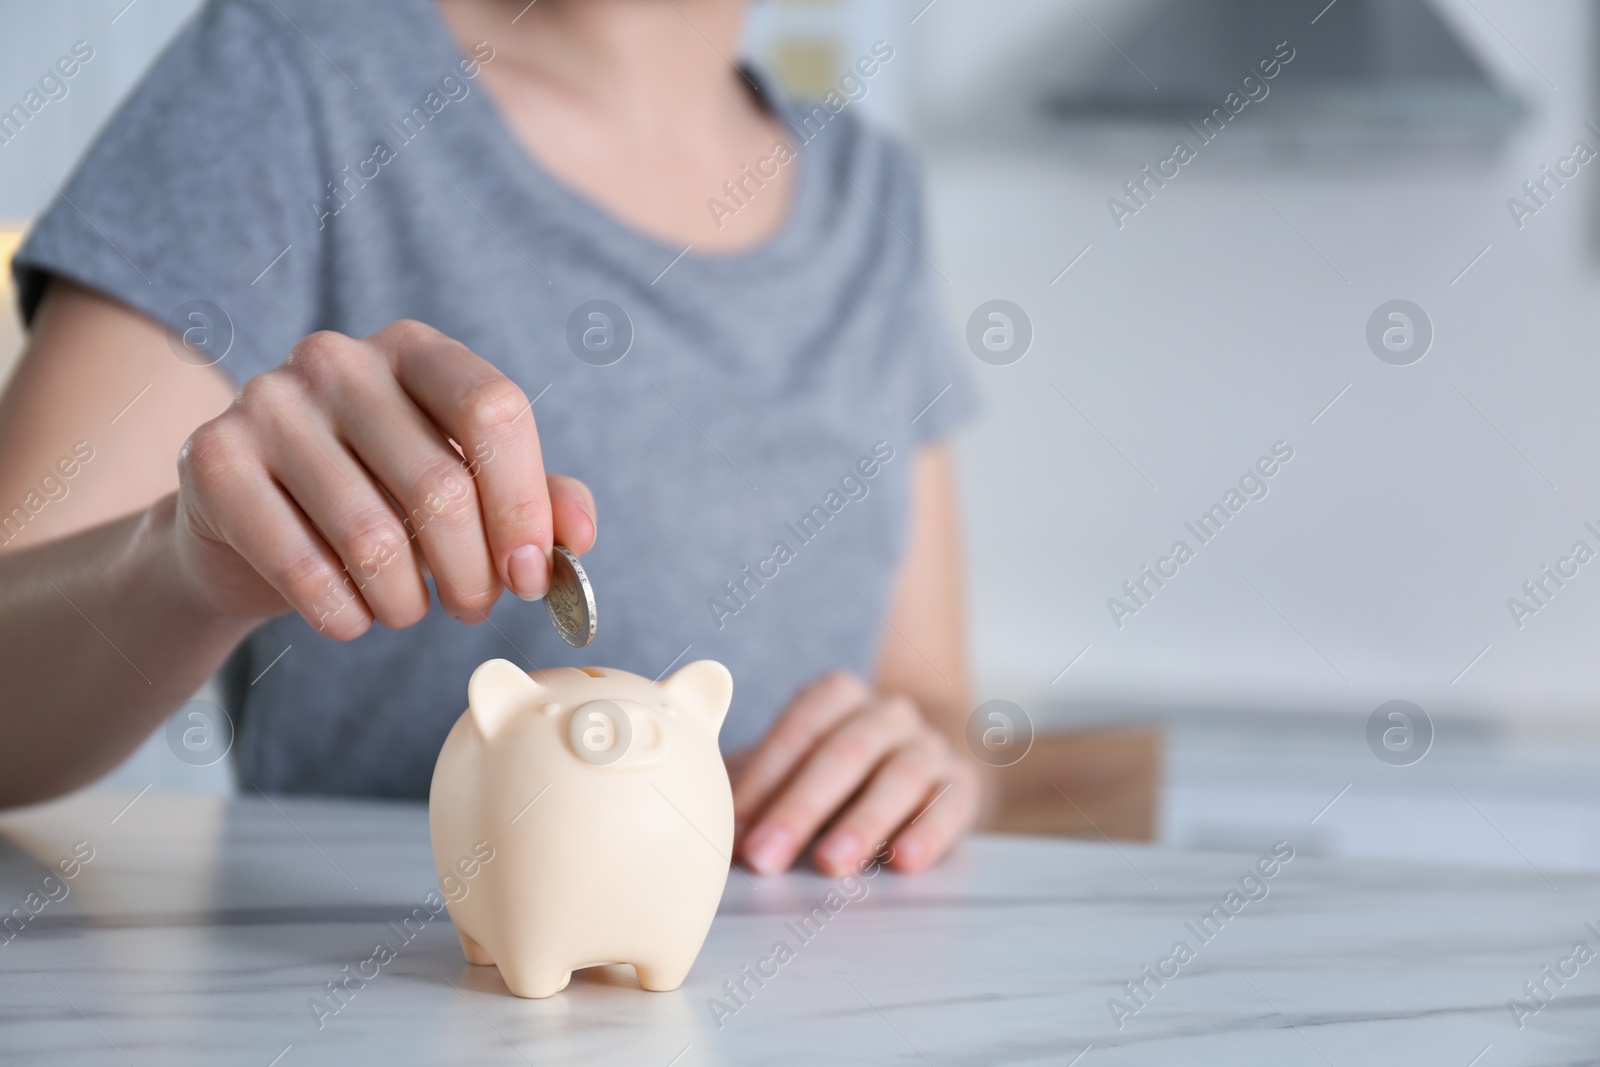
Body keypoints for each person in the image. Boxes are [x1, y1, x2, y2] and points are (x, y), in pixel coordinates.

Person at [0, 0, 984, 877]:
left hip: (804, 984)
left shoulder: (873, 192)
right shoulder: (290, 76)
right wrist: (185, 567)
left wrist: (922, 763)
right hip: (395, 984)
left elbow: (928, 693)